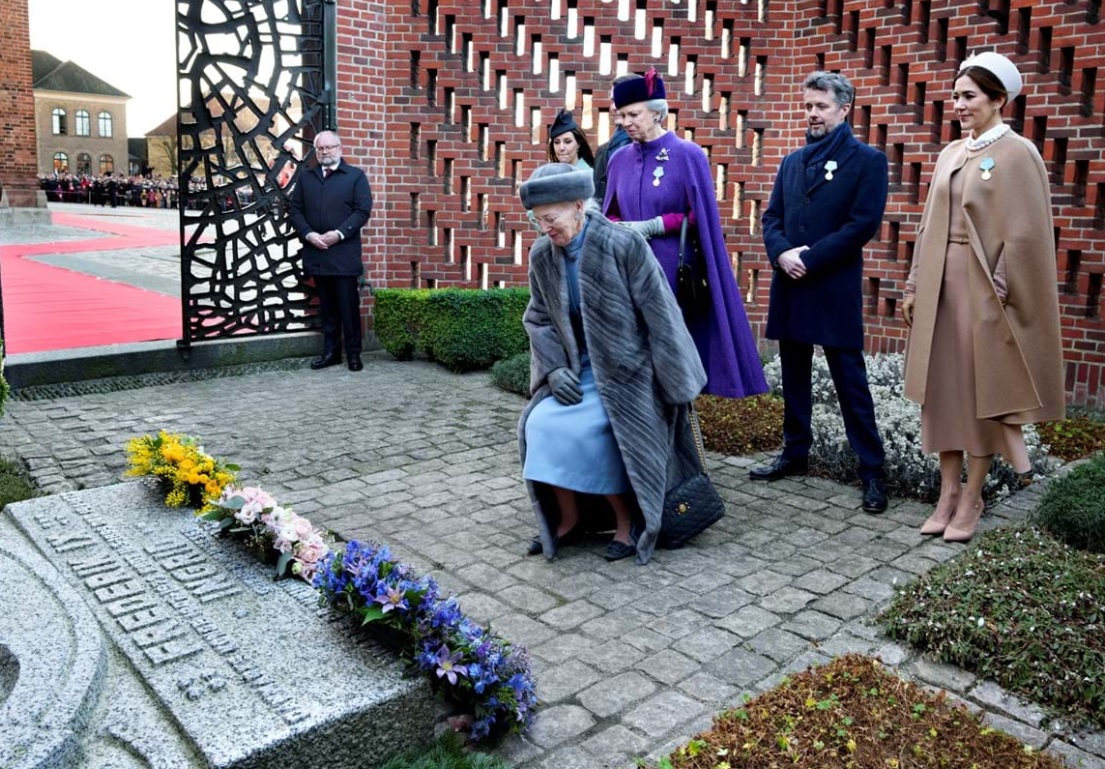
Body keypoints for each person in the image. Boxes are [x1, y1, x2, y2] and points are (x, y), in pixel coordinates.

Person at [902, 51, 1065, 542]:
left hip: (986, 294)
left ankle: (972, 498)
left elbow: (1028, 234)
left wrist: (1000, 289)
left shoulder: (1018, 153)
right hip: (940, 287)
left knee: (982, 397)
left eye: (968, 96)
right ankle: (946, 493)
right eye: (955, 95)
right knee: (944, 394)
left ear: (998, 99)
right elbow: (928, 225)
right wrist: (913, 284)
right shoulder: (952, 153)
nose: (958, 104)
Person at [518, 163, 707, 565]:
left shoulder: (623, 245)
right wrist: (553, 369)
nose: (545, 229)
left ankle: (627, 520)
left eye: (550, 219)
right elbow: (538, 318)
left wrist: (675, 380)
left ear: (577, 206)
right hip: (576, 370)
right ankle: (570, 519)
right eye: (538, 221)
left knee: (599, 430)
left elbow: (661, 313)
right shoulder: (542, 256)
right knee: (540, 424)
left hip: (630, 373)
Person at [753, 71, 889, 514]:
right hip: (789, 282)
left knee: (850, 381)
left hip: (831, 284)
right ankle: (795, 453)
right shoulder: (792, 161)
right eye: (808, 105)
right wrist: (781, 254)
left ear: (844, 108)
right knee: (793, 373)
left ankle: (872, 471)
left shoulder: (867, 160)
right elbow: (771, 217)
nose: (811, 113)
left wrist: (809, 258)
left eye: (821, 106)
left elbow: (862, 225)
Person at [602, 68, 767, 400]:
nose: (626, 122)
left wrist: (657, 224)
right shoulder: (618, 158)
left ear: (658, 111)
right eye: (622, 116)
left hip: (671, 269)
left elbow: (699, 215)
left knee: (669, 357)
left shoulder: (687, 154)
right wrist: (617, 224)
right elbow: (612, 207)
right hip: (629, 269)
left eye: (634, 114)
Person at [288, 130, 374, 372]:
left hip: (343, 254)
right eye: (320, 149)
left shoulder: (356, 176)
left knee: (348, 307)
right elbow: (295, 210)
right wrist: (309, 234)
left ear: (340, 149)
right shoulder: (306, 177)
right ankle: (331, 353)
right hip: (317, 252)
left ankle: (354, 354)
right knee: (327, 309)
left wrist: (339, 233)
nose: (325, 152)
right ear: (316, 152)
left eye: (329, 147)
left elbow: (362, 211)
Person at [592, 74, 637, 203]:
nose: (614, 107)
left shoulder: (653, 145)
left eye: (619, 99)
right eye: (612, 101)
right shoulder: (603, 150)